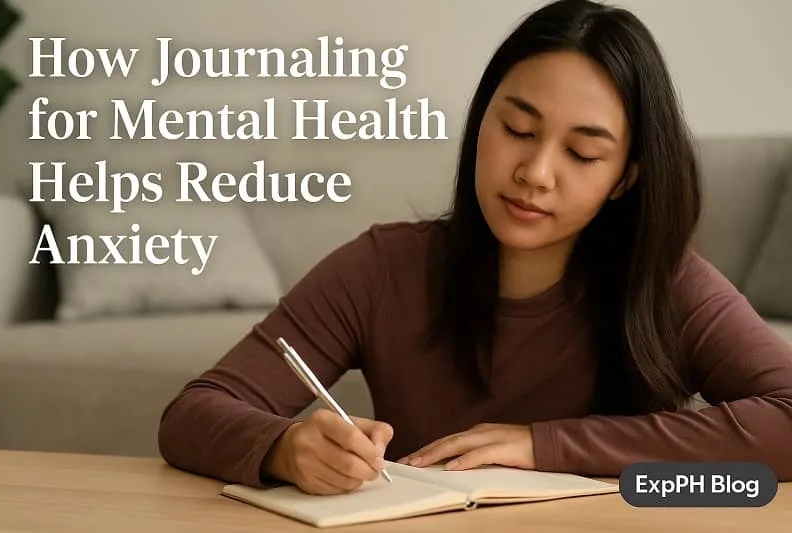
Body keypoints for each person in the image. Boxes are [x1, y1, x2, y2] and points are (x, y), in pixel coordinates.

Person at [158, 0, 792, 495]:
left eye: (582, 153)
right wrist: (284, 448)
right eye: (517, 129)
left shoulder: (665, 282)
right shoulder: (385, 268)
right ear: (480, 121)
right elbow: (192, 414)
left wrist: (544, 447)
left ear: (625, 176)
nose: (536, 172)